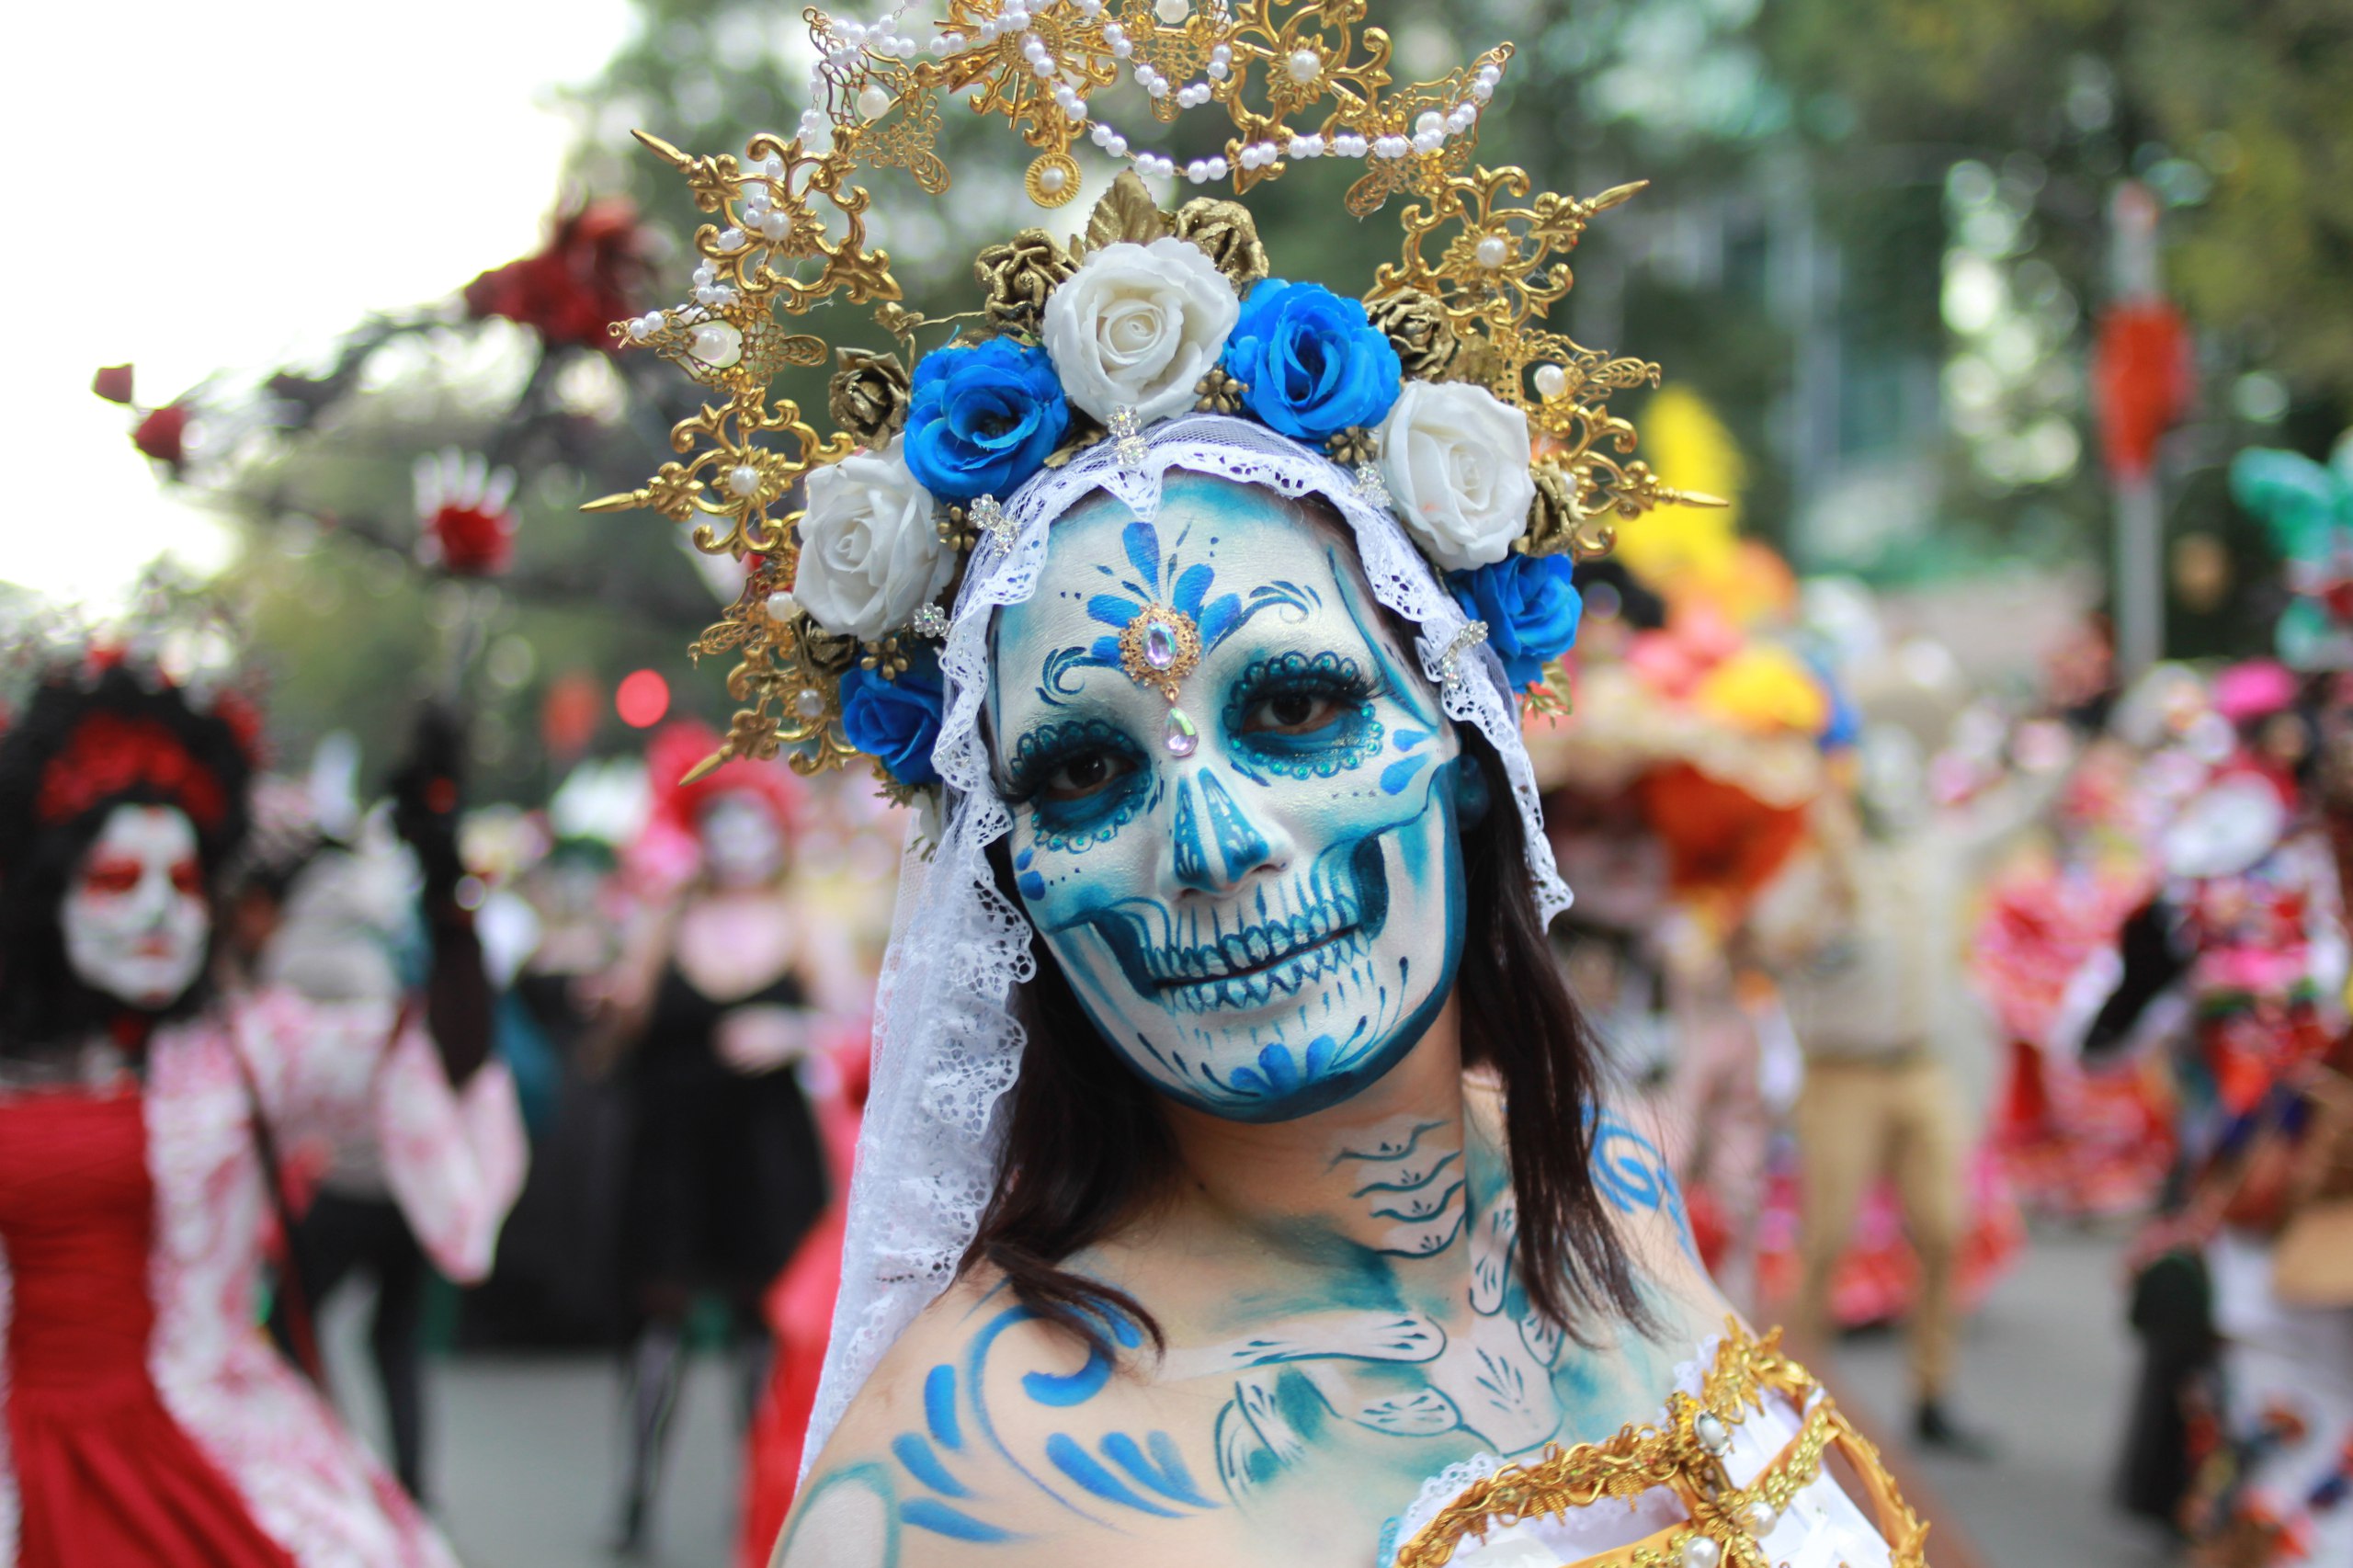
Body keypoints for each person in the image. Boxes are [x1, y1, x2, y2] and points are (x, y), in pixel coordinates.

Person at [0, 650, 526, 1566]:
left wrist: (447, 893)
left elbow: (439, 1057)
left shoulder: (241, 1050)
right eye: (120, 879)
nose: (161, 911)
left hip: (212, 1449)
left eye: (186, 882)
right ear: (52, 898)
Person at [590, 724, 857, 1553]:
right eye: (718, 822)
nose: (735, 841)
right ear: (694, 831)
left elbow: (857, 1024)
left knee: (759, 1335)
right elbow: (616, 1035)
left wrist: (792, 1029)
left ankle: (762, 1498)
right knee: (657, 1331)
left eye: (749, 822)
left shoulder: (805, 922)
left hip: (765, 1161)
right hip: (672, 1156)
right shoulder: (664, 921)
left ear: (775, 830)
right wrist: (610, 995)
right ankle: (635, 1494)